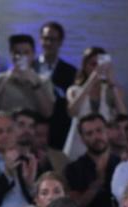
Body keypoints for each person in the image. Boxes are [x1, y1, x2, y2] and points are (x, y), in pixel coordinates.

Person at [63, 47, 125, 160]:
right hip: (78, 144)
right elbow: (72, 111)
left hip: (103, 145)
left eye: (101, 65)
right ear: (85, 66)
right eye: (93, 64)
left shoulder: (111, 90)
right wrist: (91, 80)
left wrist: (112, 82)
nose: (98, 68)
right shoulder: (74, 90)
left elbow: (123, 116)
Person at [66, 113, 121, 207]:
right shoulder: (73, 169)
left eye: (99, 130)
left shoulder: (122, 164)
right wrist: (96, 184)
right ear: (82, 138)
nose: (96, 137)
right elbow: (76, 206)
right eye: (89, 133)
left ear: (107, 131)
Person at [36, 21, 76, 149]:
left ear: (60, 42)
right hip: (32, 126)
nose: (48, 43)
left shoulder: (71, 72)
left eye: (53, 39)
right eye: (45, 38)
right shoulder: (30, 67)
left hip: (58, 129)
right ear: (40, 39)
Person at [0, 35, 54, 119]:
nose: (21, 57)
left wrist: (35, 84)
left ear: (33, 55)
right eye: (17, 53)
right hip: (6, 129)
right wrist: (7, 79)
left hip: (31, 129)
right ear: (11, 55)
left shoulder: (43, 81)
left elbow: (48, 112)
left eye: (26, 53)